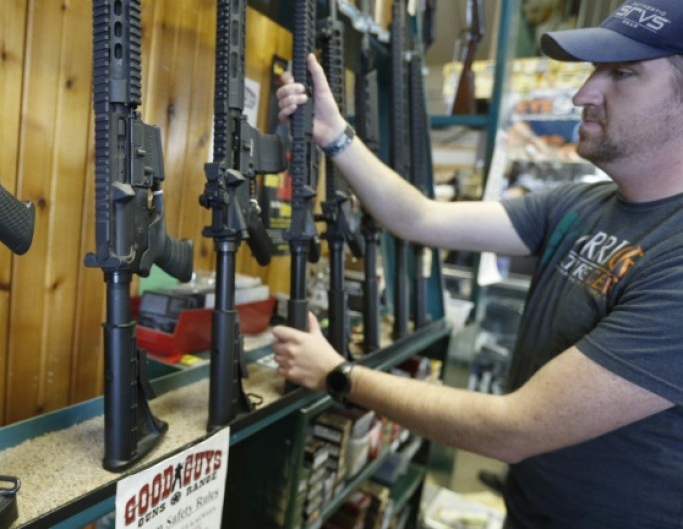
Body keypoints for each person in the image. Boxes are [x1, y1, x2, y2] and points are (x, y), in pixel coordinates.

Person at [271, 0, 683, 527]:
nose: (584, 94)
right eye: (595, 71)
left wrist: (338, 374)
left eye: (623, 73)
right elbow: (421, 218)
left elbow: (513, 428)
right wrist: (336, 136)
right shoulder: (580, 205)